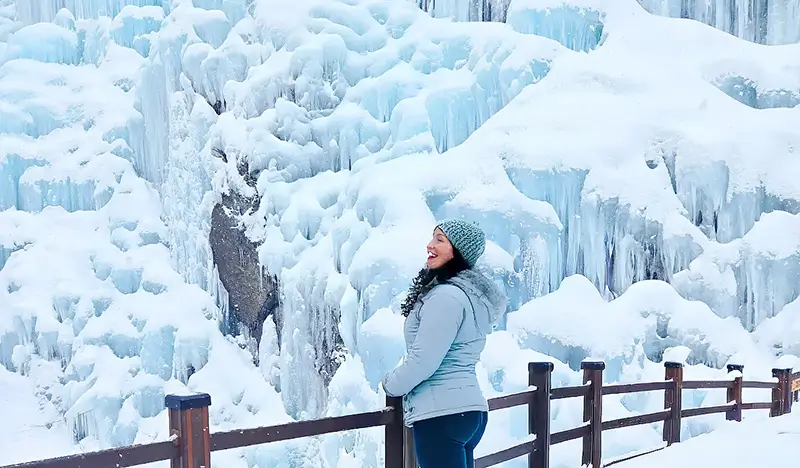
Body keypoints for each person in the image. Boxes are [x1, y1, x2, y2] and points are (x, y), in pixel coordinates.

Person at [381, 218, 507, 468]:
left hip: (442, 415)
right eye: (432, 238)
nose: (430, 245)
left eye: (440, 240)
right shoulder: (468, 296)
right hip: (467, 413)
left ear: (458, 251)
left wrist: (390, 385)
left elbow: (424, 360)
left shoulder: (446, 297)